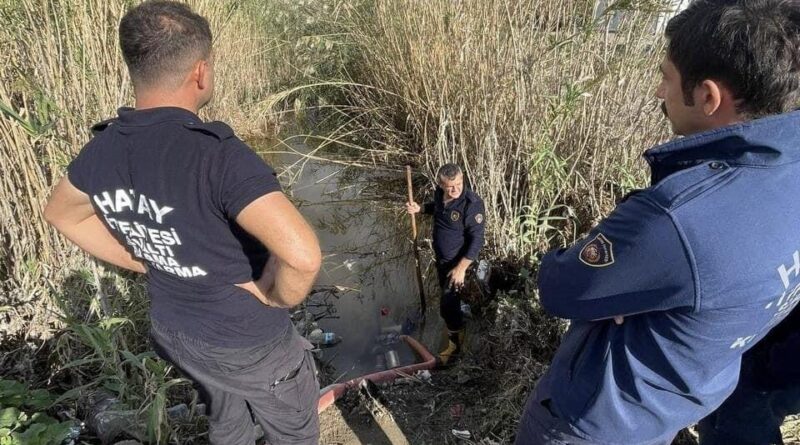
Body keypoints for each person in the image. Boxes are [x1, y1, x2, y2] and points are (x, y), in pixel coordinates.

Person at [515, 0, 800, 443]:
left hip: (596, 422)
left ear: (708, 97)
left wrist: (630, 266)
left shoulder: (679, 219)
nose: (657, 93)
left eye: (666, 78)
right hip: (680, 401)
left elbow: (560, 287)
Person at [43, 2, 322, 444]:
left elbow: (60, 213)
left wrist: (144, 259)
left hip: (176, 332)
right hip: (249, 341)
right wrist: (273, 295)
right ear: (200, 72)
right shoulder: (217, 156)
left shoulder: (102, 150)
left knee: (226, 416)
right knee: (293, 427)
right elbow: (303, 256)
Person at [406, 163, 485, 365]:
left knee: (447, 306)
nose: (456, 189)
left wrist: (460, 269)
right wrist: (421, 208)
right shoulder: (440, 194)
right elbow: (438, 208)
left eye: (459, 183)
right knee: (450, 300)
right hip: (442, 261)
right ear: (441, 185)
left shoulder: (471, 204)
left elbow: (477, 240)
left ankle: (456, 347)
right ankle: (459, 322)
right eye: (450, 186)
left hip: (457, 265)